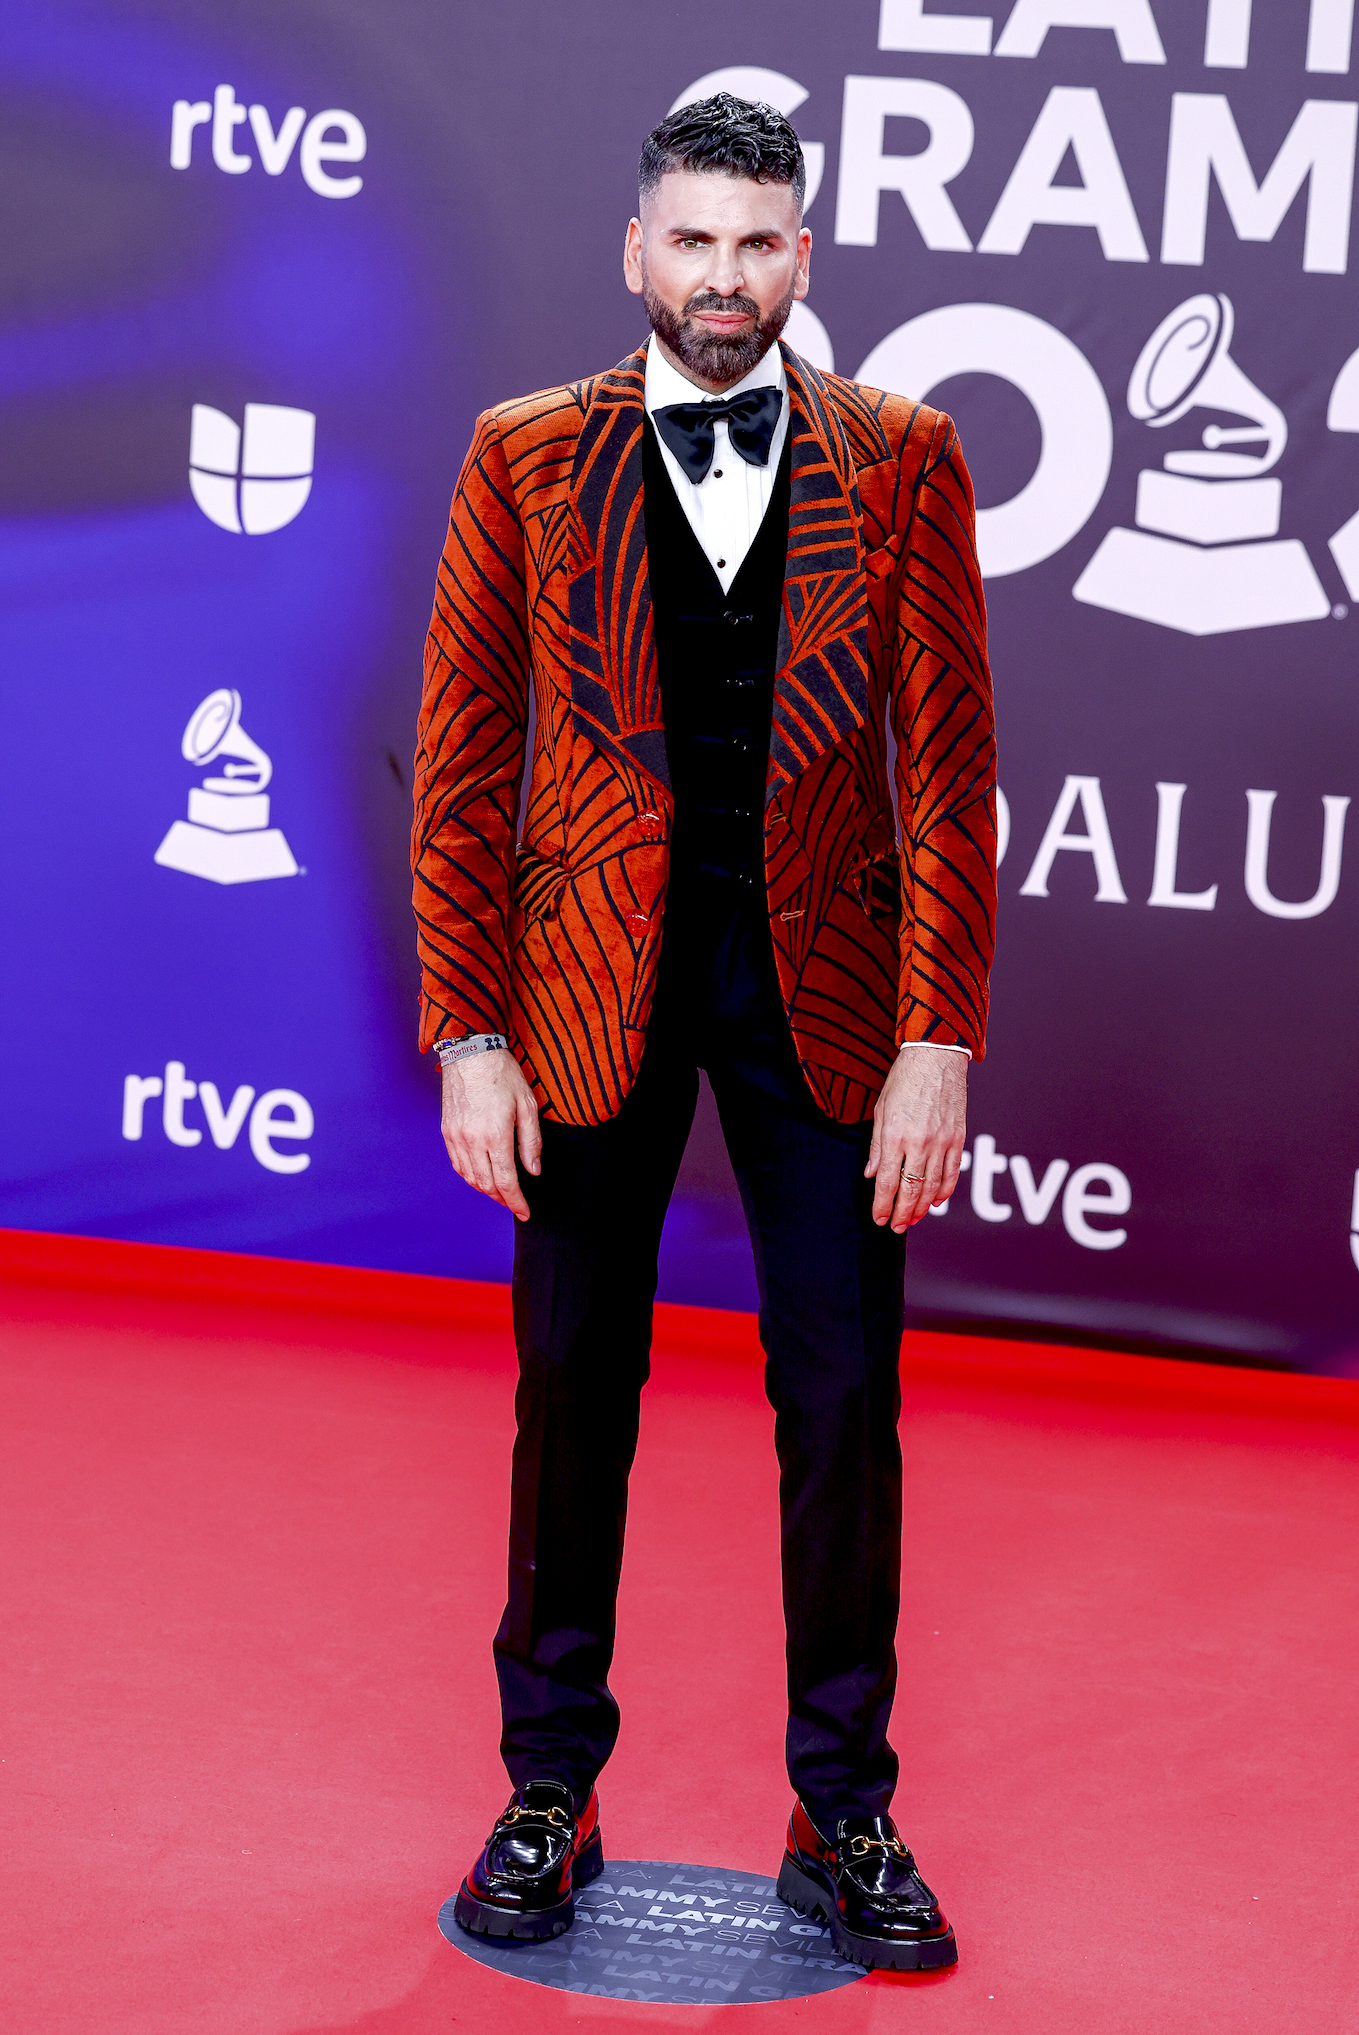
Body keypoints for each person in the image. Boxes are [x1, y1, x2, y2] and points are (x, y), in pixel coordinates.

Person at [411, 93, 996, 1973]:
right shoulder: (523, 458)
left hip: (828, 1003)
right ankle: (545, 1793)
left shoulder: (905, 457)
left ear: (802, 257)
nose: (725, 277)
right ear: (636, 251)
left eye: (760, 244)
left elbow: (954, 773)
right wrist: (469, 1033)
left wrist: (941, 1037)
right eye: (694, 241)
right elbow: (460, 765)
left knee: (842, 1408)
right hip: (586, 993)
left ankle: (848, 1814)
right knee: (571, 1397)